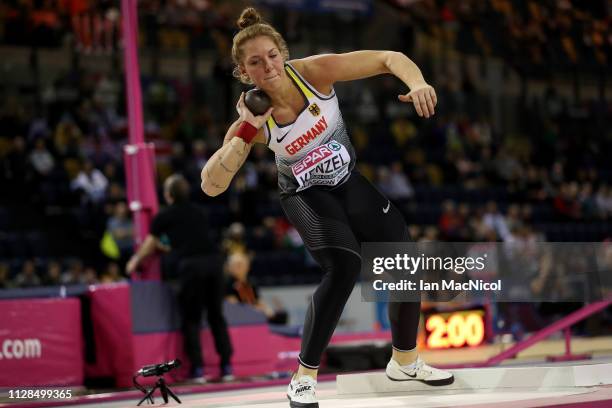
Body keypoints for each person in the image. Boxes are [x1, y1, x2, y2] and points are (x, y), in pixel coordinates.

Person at [200, 8, 453, 407]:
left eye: (270, 55)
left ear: (282, 53)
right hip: (305, 195)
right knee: (345, 265)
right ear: (244, 73)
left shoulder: (314, 72)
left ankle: (404, 361)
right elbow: (211, 186)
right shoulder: (255, 117)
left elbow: (389, 58)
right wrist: (247, 130)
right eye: (254, 62)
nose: (266, 66)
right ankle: (303, 377)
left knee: (405, 259)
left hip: (348, 181)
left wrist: (418, 82)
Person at [127, 174, 234, 383]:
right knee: (216, 316)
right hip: (214, 264)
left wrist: (135, 261)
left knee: (191, 319)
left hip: (191, 268)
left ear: (168, 195)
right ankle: (227, 367)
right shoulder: (200, 212)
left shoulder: (164, 216)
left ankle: (198, 370)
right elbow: (190, 240)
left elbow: (149, 243)